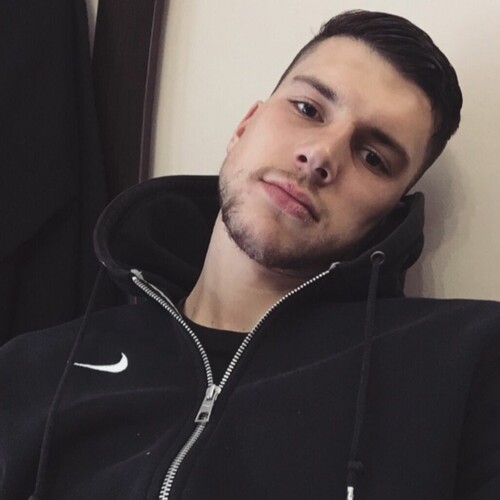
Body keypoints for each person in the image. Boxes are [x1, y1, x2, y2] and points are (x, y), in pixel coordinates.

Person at [1, 9, 499, 500]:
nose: (321, 155)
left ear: (389, 216)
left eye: (373, 157)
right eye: (308, 109)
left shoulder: (467, 365)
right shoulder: (31, 368)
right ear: (244, 127)